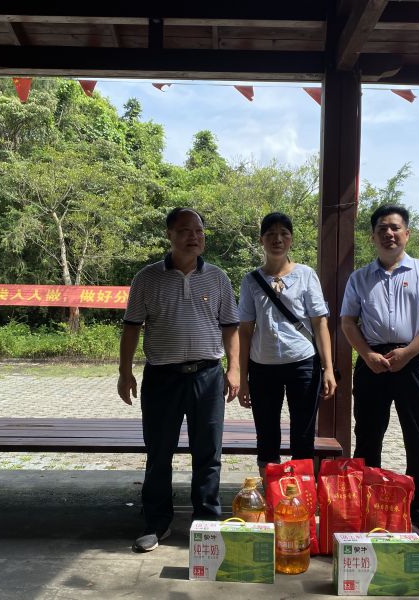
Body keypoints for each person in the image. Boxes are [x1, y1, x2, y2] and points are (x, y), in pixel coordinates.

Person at [118, 207, 240, 553]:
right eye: (185, 230)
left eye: (199, 231)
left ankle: (207, 524)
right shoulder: (147, 278)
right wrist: (125, 372)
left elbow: (231, 327)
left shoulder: (218, 278)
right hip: (162, 377)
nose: (194, 237)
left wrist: (234, 369)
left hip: (208, 376)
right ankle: (156, 523)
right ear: (169, 235)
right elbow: (131, 328)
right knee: (159, 453)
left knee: (208, 454)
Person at [340, 204, 419, 551]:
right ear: (372, 236)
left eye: (395, 228)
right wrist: (366, 354)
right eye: (382, 229)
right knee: (367, 436)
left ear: (407, 233)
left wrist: (408, 353)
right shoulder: (360, 278)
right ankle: (365, 506)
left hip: (413, 361)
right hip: (372, 361)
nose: (389, 234)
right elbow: (348, 322)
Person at [237, 212, 336, 477]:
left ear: (291, 239)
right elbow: (244, 331)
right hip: (262, 366)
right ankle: (271, 490)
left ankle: (301, 491)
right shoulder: (251, 280)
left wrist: (328, 368)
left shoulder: (306, 275)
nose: (277, 239)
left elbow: (320, 323)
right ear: (261, 240)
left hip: (303, 364)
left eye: (284, 234)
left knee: (303, 433)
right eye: (270, 234)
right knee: (266, 433)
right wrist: (243, 378)